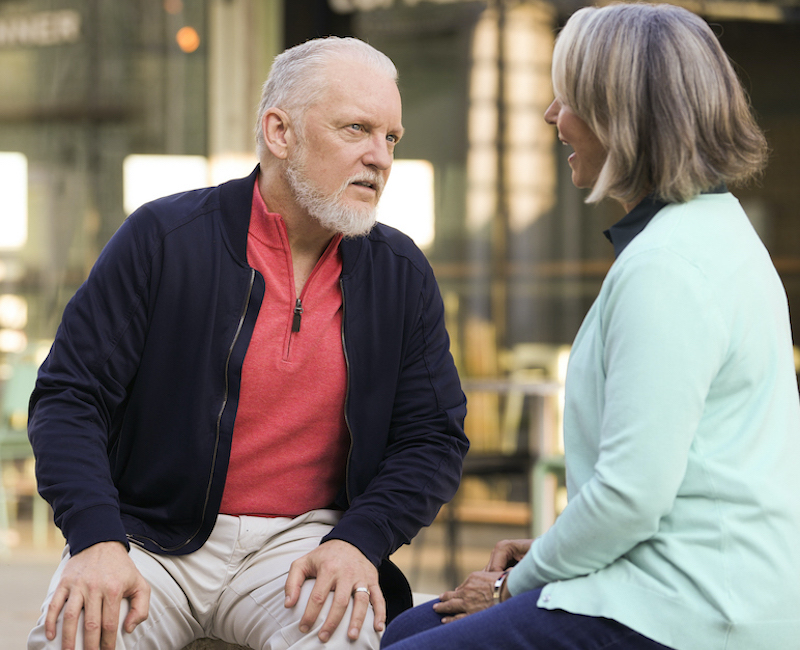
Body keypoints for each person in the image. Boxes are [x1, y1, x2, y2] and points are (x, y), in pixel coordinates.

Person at [380, 3, 800, 650]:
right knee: (407, 625)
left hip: (684, 613)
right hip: (693, 591)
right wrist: (548, 553)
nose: (552, 117)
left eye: (568, 98)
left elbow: (630, 500)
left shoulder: (667, 265)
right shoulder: (713, 236)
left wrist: (508, 589)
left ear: (622, 116)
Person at [27, 36, 468, 650]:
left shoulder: (400, 272)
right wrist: (96, 538)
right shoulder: (164, 238)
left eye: (390, 137)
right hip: (150, 539)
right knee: (71, 638)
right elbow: (70, 397)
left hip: (303, 547)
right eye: (357, 129)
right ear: (279, 133)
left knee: (339, 641)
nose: (380, 157)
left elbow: (432, 436)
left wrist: (358, 541)